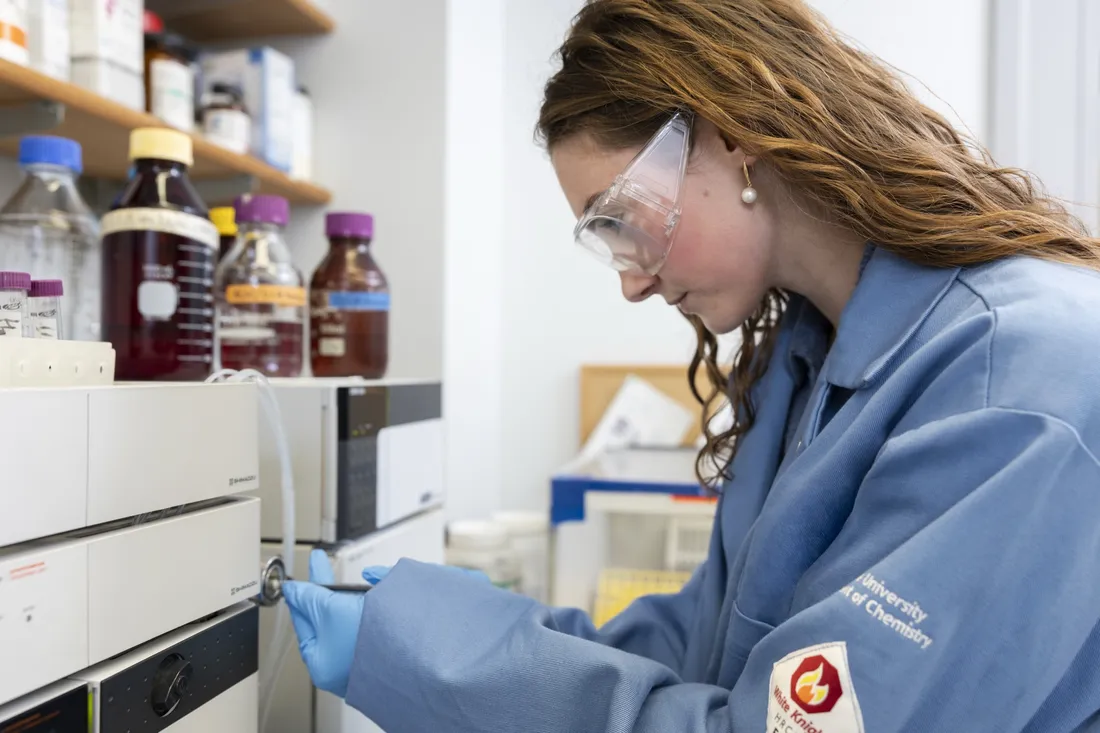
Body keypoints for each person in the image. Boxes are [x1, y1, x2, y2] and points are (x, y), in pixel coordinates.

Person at [283, 1, 1100, 730]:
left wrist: (449, 665)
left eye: (620, 219)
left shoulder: (1019, 380)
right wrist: (449, 628)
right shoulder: (806, 361)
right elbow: (709, 644)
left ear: (734, 136)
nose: (633, 281)